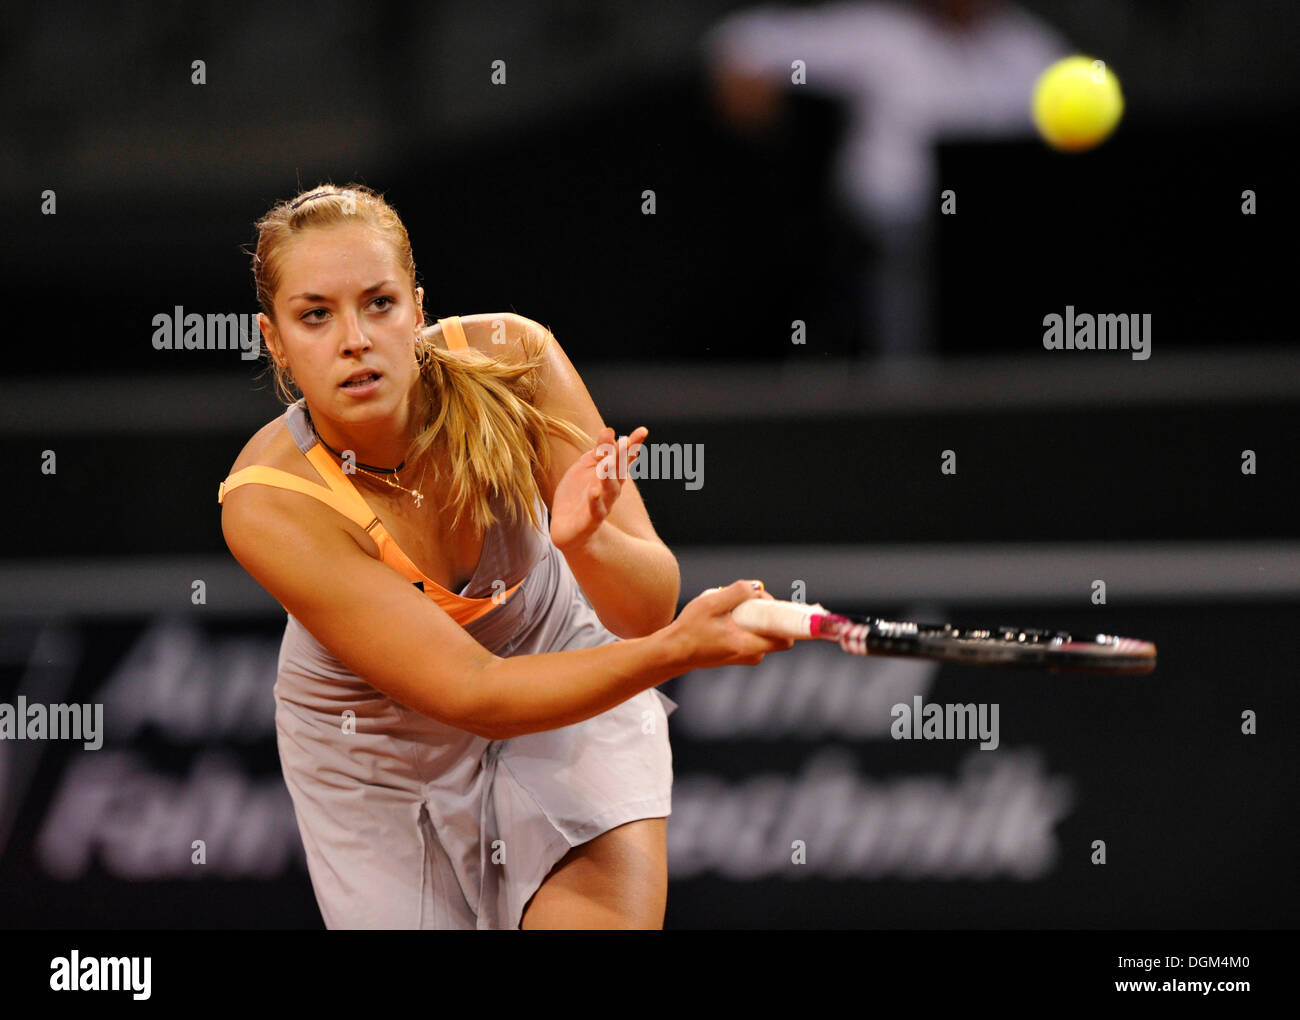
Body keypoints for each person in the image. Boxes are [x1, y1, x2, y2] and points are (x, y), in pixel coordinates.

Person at [217, 183, 792, 929]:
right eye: (316, 316)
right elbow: (473, 692)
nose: (353, 338)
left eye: (379, 303)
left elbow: (644, 610)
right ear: (276, 341)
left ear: (418, 310)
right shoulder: (268, 502)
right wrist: (678, 652)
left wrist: (586, 544)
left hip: (559, 662)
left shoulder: (517, 358)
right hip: (371, 746)